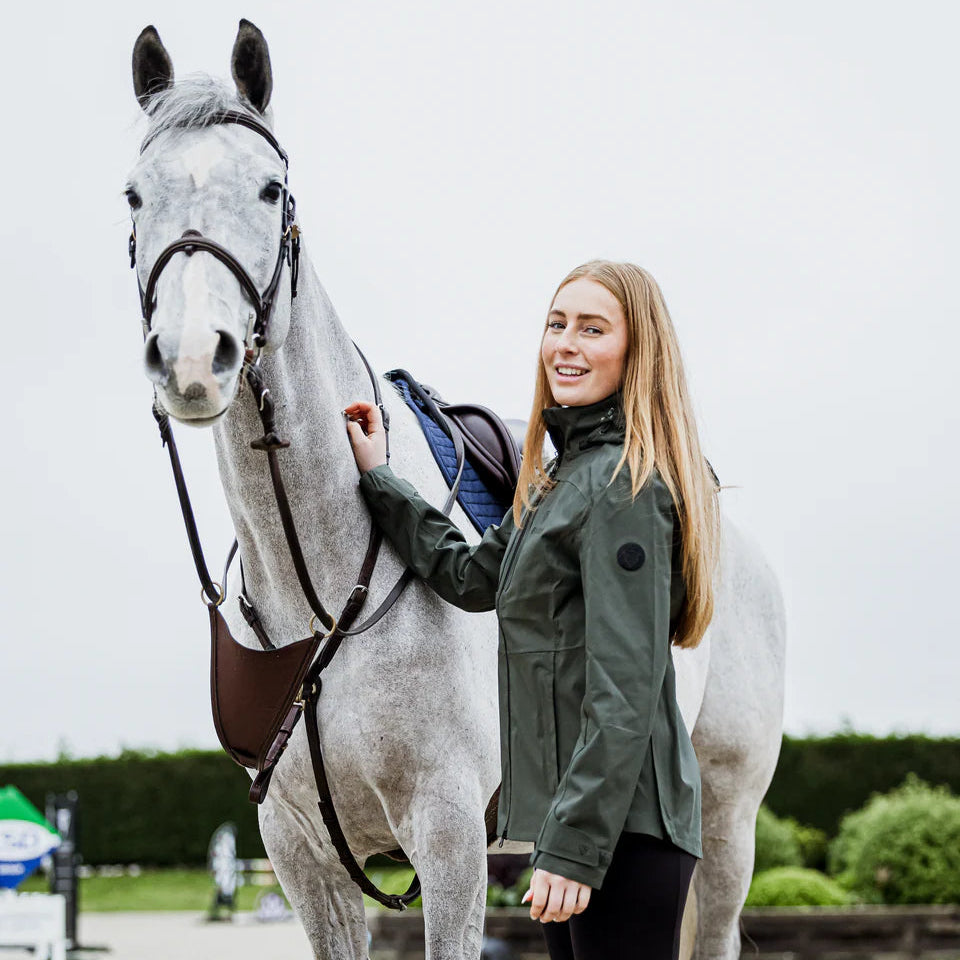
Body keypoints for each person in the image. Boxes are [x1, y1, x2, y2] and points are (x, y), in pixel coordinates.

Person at [344, 260, 720, 960]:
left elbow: (625, 690)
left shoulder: (623, 487)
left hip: (623, 838)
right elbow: (470, 576)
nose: (566, 344)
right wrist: (380, 478)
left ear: (637, 354)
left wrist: (576, 850)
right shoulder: (562, 481)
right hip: (583, 830)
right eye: (557, 324)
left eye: (593, 328)